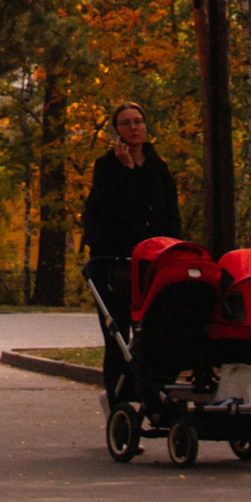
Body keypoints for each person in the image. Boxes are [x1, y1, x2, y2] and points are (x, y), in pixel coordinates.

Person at [80, 99, 182, 375]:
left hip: (152, 262)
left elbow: (169, 212)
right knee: (117, 338)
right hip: (115, 264)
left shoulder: (158, 167)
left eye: (138, 121)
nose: (134, 128)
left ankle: (151, 390)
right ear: (117, 131)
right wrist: (126, 170)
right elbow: (114, 209)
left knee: (156, 332)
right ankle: (118, 406)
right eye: (126, 123)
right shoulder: (106, 167)